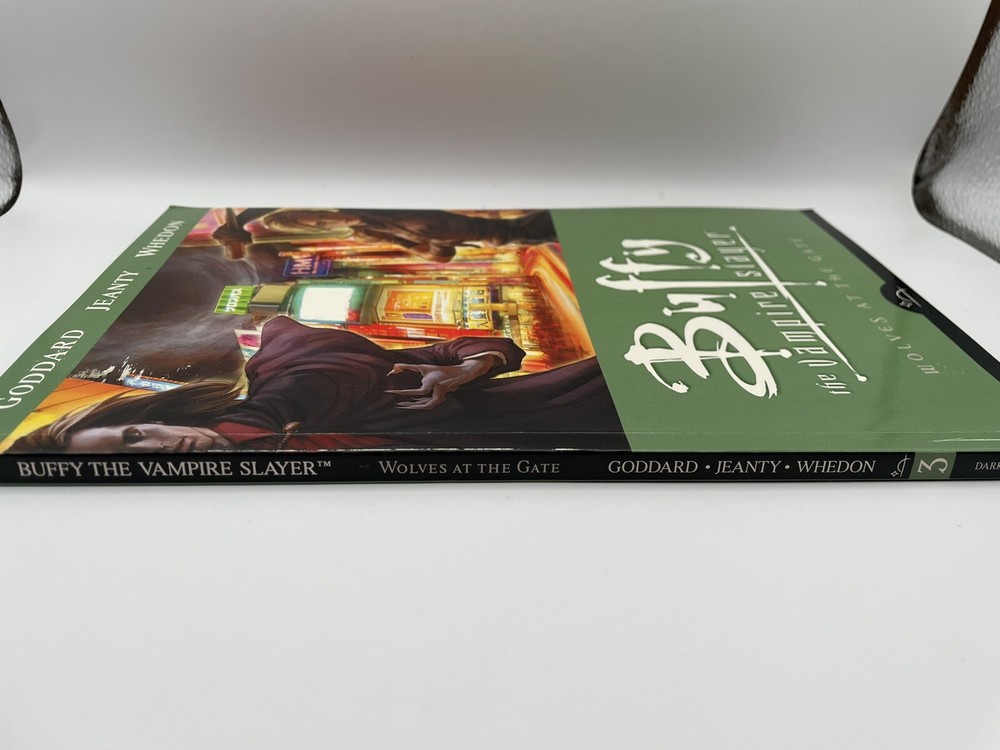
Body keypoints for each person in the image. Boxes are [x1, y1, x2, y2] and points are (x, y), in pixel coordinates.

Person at [9, 317, 626, 454]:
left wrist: (469, 368)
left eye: (134, 435)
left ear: (155, 415)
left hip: (585, 410)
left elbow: (474, 348)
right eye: (133, 459)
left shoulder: (281, 383)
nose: (158, 449)